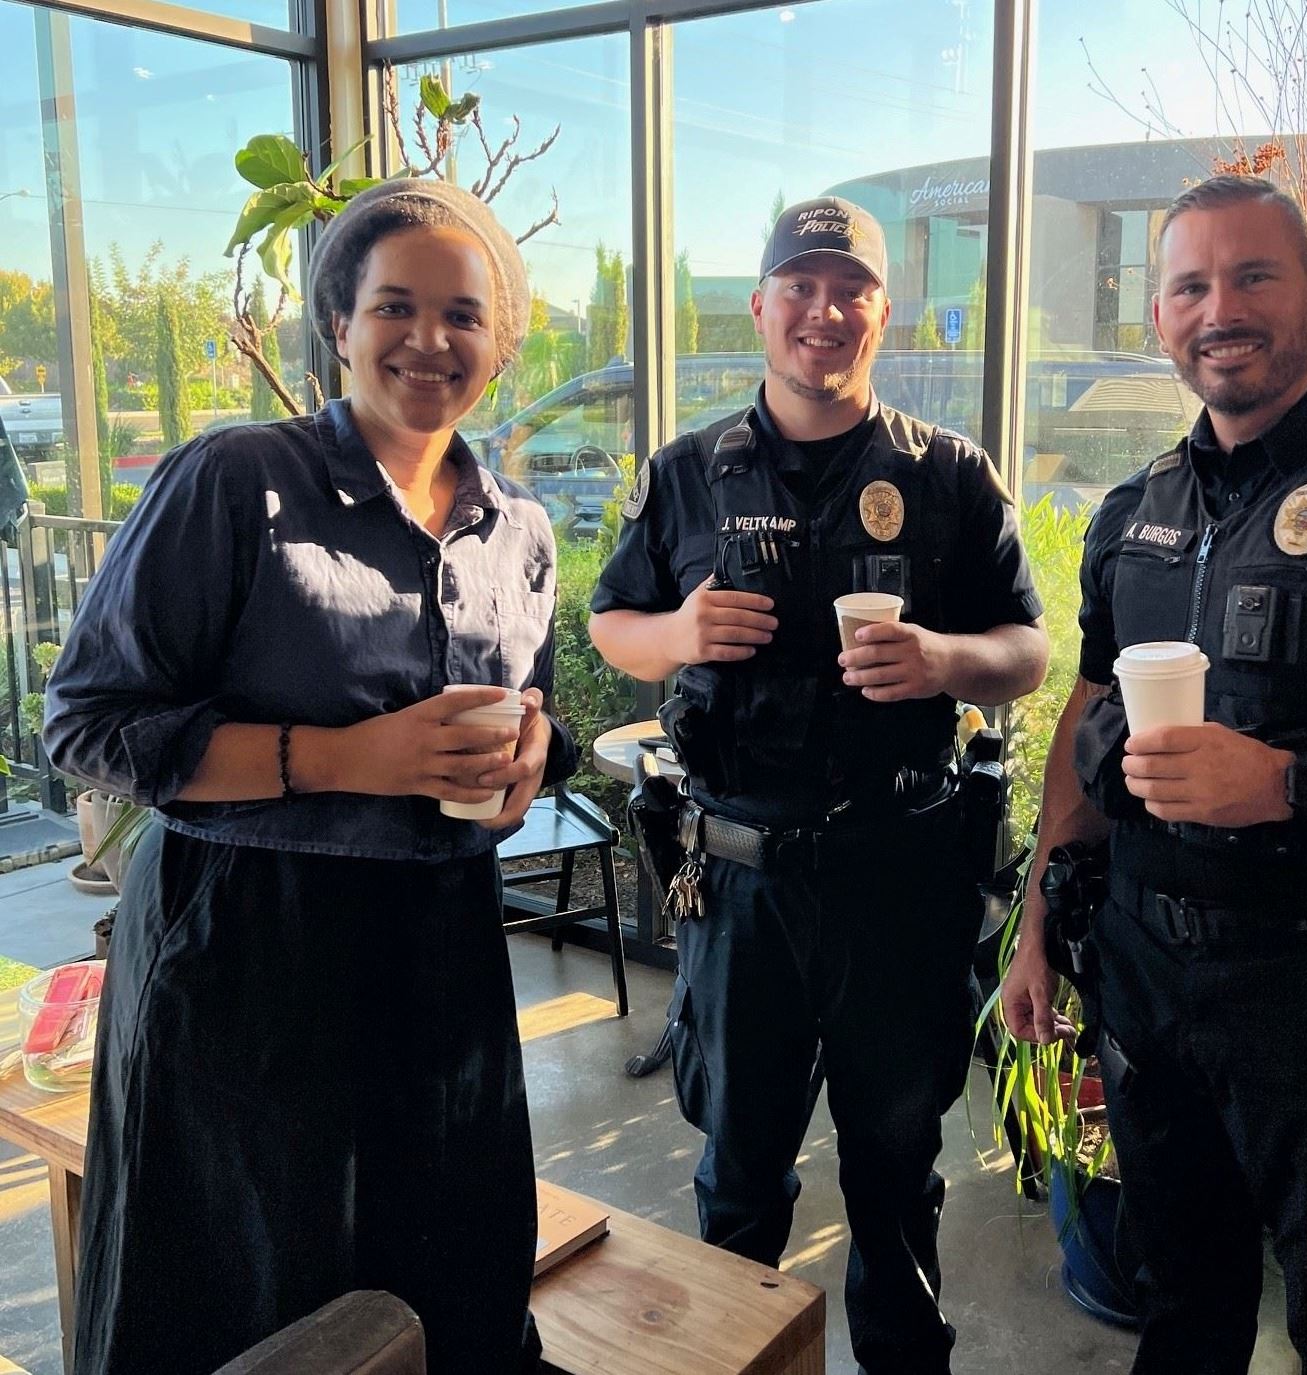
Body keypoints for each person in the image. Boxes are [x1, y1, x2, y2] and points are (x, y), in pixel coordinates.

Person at [43, 179, 575, 1375]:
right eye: (396, 305)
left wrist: (538, 749)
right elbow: (85, 723)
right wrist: (348, 757)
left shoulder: (520, 530)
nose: (429, 340)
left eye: (463, 314)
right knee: (245, 1287)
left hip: (441, 948)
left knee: (447, 1266)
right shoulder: (238, 481)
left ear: (499, 341)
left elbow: (532, 706)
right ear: (339, 322)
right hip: (244, 953)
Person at [1001, 175, 1307, 1375]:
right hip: (1141, 965)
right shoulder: (1134, 511)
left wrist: (1291, 784)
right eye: (1189, 285)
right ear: (1160, 316)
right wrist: (1034, 918)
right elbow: (1088, 715)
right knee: (1178, 1297)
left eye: (1253, 276)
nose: (1219, 308)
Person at [588, 195, 1049, 1375]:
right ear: (760, 305)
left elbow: (1031, 651)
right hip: (741, 877)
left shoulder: (948, 476)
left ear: (882, 313)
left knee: (896, 1166)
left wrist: (946, 659)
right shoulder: (687, 474)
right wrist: (679, 630)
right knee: (738, 1169)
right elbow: (610, 628)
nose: (824, 310)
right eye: (800, 284)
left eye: (851, 289)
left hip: (899, 872)